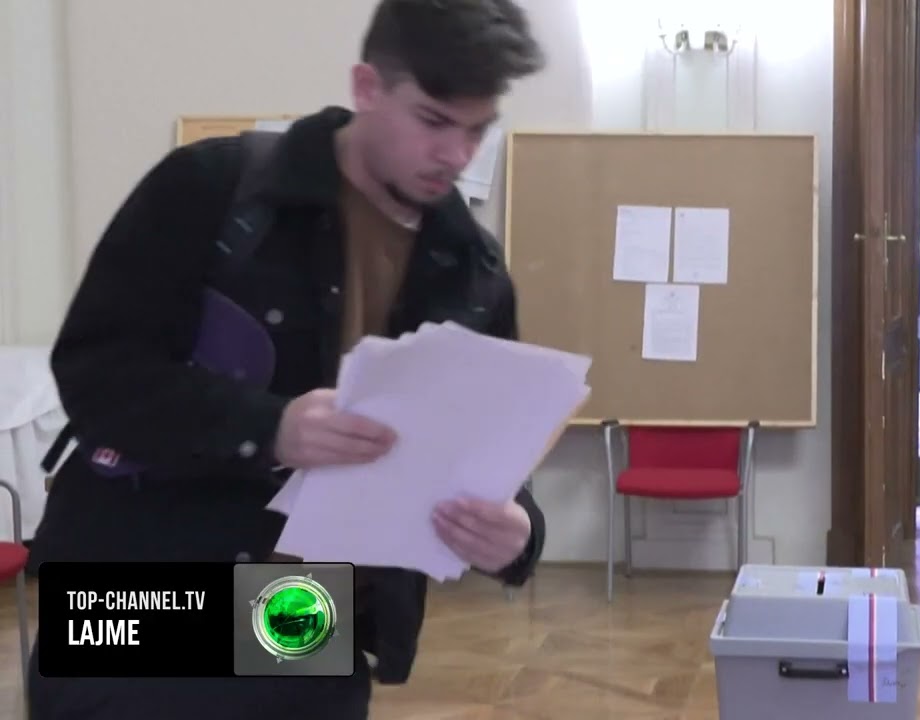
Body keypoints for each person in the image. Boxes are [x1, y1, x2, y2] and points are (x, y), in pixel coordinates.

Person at [26, 1, 547, 717]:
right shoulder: (209, 187)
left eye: (477, 129)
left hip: (300, 611)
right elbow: (96, 374)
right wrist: (269, 428)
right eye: (433, 121)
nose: (456, 155)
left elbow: (483, 459)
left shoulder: (472, 273)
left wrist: (518, 534)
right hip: (137, 585)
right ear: (367, 87)